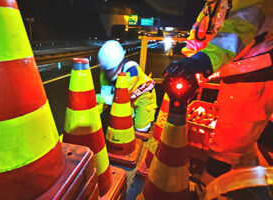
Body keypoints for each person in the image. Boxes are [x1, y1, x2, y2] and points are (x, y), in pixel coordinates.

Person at [163, 0, 273, 191]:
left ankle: (209, 191)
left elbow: (240, 26)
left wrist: (204, 60)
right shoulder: (214, 3)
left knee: (223, 151)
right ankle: (245, 185)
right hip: (236, 78)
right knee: (241, 147)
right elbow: (201, 31)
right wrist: (189, 60)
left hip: (254, 80)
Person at [97, 40, 157, 134]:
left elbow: (119, 97)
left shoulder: (131, 71)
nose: (109, 73)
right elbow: (106, 93)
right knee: (122, 123)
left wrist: (97, 98)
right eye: (107, 70)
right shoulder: (105, 72)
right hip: (128, 97)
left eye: (111, 70)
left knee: (141, 128)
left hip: (143, 96)